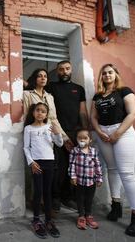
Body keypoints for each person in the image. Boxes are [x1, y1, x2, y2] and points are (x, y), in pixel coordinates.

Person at [90, 63, 135, 237]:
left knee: (127, 174)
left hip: (123, 132)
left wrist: (117, 133)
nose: (107, 75)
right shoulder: (97, 96)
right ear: (101, 77)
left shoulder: (124, 91)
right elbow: (93, 116)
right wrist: (99, 132)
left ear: (116, 74)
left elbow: (133, 113)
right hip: (103, 134)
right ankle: (116, 206)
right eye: (104, 73)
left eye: (110, 72)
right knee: (111, 170)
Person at [47, 60, 89, 211]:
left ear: (71, 70)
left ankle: (68, 197)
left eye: (67, 69)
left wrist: (86, 132)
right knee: (59, 167)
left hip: (77, 133)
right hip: (58, 133)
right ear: (57, 72)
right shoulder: (51, 87)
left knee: (75, 167)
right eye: (61, 69)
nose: (64, 72)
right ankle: (56, 198)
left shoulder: (79, 89)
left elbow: (83, 111)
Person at [23, 102, 63, 238]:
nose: (40, 113)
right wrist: (31, 162)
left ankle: (48, 220)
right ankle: (36, 220)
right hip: (37, 163)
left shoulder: (49, 127)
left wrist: (57, 134)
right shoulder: (28, 128)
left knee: (47, 191)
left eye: (43, 111)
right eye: (37, 110)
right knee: (38, 191)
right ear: (33, 113)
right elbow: (26, 147)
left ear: (46, 114)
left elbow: (59, 143)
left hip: (49, 162)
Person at [68, 129, 103, 230]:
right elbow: (72, 164)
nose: (82, 140)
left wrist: (99, 178)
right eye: (80, 138)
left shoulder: (93, 151)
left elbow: (97, 165)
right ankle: (81, 216)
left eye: (85, 138)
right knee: (80, 199)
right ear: (76, 139)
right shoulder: (75, 151)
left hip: (91, 181)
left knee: (89, 199)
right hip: (79, 181)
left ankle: (88, 215)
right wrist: (73, 176)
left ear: (90, 140)